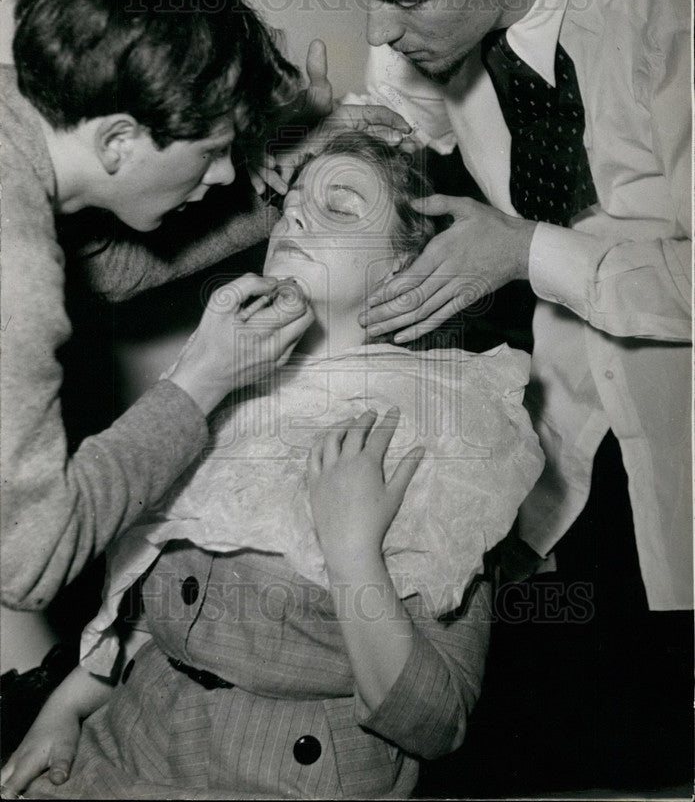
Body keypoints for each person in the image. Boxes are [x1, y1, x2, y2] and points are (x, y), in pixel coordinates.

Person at [318, 0, 692, 789]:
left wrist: (526, 252)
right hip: (573, 408)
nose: (379, 30)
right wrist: (333, 159)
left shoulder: (671, 5)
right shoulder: (426, 8)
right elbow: (388, 113)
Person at [1, 135, 544, 800]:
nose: (295, 218)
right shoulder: (222, 381)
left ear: (408, 271)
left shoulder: (450, 429)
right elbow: (165, 612)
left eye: (338, 208)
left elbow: (436, 723)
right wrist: (63, 710)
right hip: (131, 739)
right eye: (290, 207)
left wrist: (352, 553)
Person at [1, 0, 408, 616]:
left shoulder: (24, 108)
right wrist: (203, 380)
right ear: (118, 141)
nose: (224, 173)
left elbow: (109, 268)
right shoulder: (13, 260)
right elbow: (28, 559)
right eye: (214, 152)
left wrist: (280, 180)